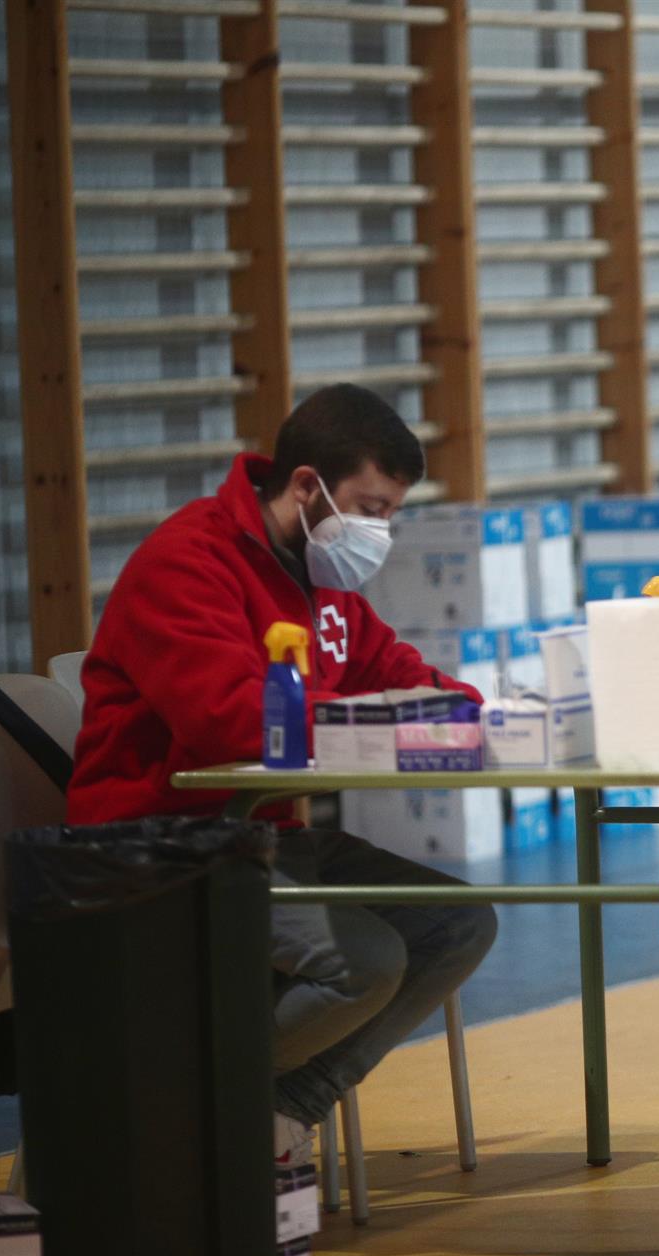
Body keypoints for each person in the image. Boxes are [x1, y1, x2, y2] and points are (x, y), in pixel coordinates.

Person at [68, 383, 499, 1168]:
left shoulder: (321, 577)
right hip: (159, 845)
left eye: (391, 514)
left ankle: (276, 1106)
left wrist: (456, 708)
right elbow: (236, 725)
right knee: (363, 964)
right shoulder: (186, 564)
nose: (379, 532)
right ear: (306, 486)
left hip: (261, 830)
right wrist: (379, 717)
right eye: (370, 508)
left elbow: (392, 667)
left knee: (458, 922)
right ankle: (184, 1101)